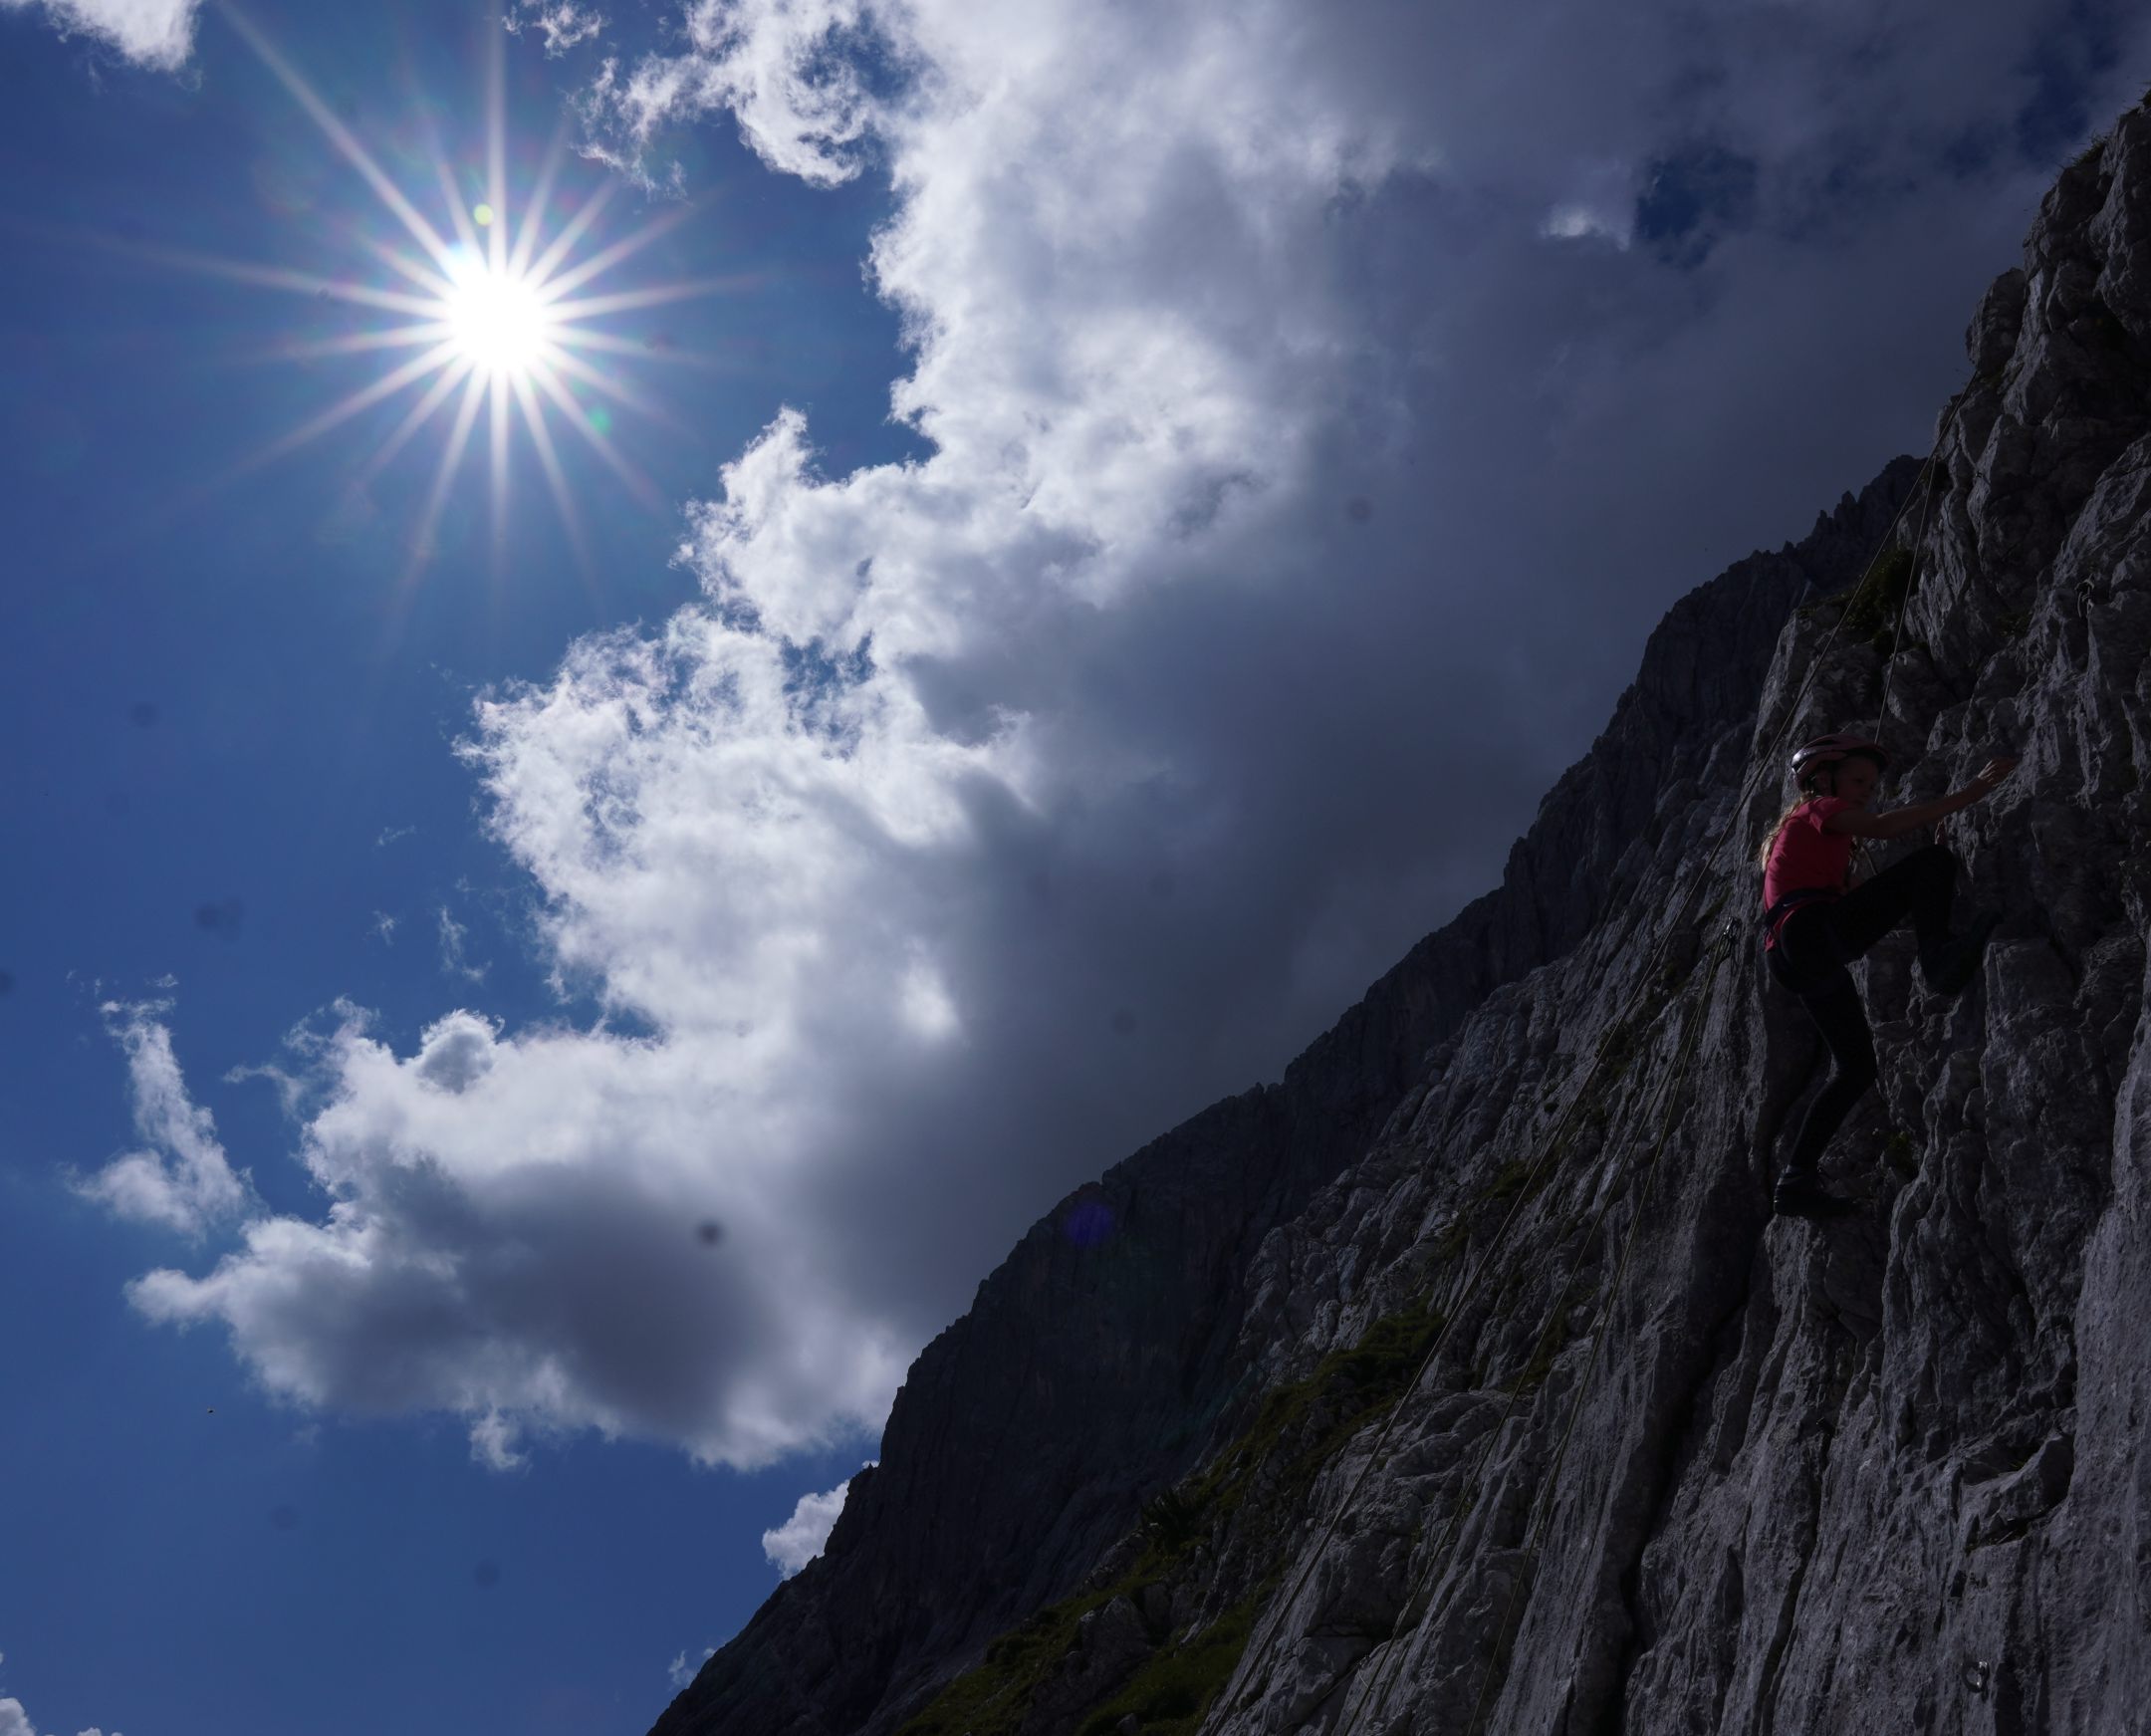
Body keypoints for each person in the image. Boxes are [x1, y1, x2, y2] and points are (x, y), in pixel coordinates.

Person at [1757, 732, 2019, 1217]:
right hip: (1811, 932)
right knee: (1930, 862)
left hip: (1795, 956)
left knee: (1856, 1068)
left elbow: (1878, 905)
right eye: (1858, 780)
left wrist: (1926, 881)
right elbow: (1883, 827)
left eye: (1872, 785)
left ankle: (1794, 1181)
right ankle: (1939, 961)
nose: (1867, 791)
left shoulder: (1812, 846)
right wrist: (1971, 793)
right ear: (1822, 779)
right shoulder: (1816, 809)